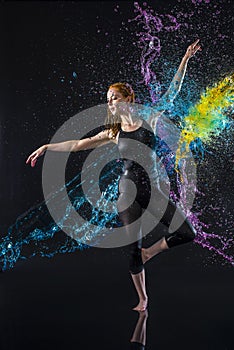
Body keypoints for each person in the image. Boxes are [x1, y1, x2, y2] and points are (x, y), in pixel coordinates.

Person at [26, 39, 201, 311]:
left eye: (114, 99)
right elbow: (76, 145)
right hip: (127, 194)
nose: (110, 104)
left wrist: (185, 59)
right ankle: (143, 299)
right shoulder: (113, 132)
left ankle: (149, 253)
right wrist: (47, 146)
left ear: (128, 99)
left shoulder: (149, 119)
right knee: (131, 249)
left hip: (152, 191)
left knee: (186, 232)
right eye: (107, 101)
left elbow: (173, 92)